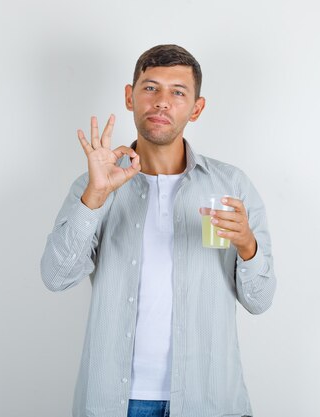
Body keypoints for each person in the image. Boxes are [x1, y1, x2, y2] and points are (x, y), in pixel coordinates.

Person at [41, 44, 276, 417]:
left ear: (196, 108)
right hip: (117, 402)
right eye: (150, 88)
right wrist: (94, 197)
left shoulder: (232, 186)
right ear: (129, 97)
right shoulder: (95, 186)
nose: (162, 101)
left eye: (178, 92)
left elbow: (260, 300)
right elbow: (56, 277)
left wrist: (248, 246)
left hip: (210, 399)